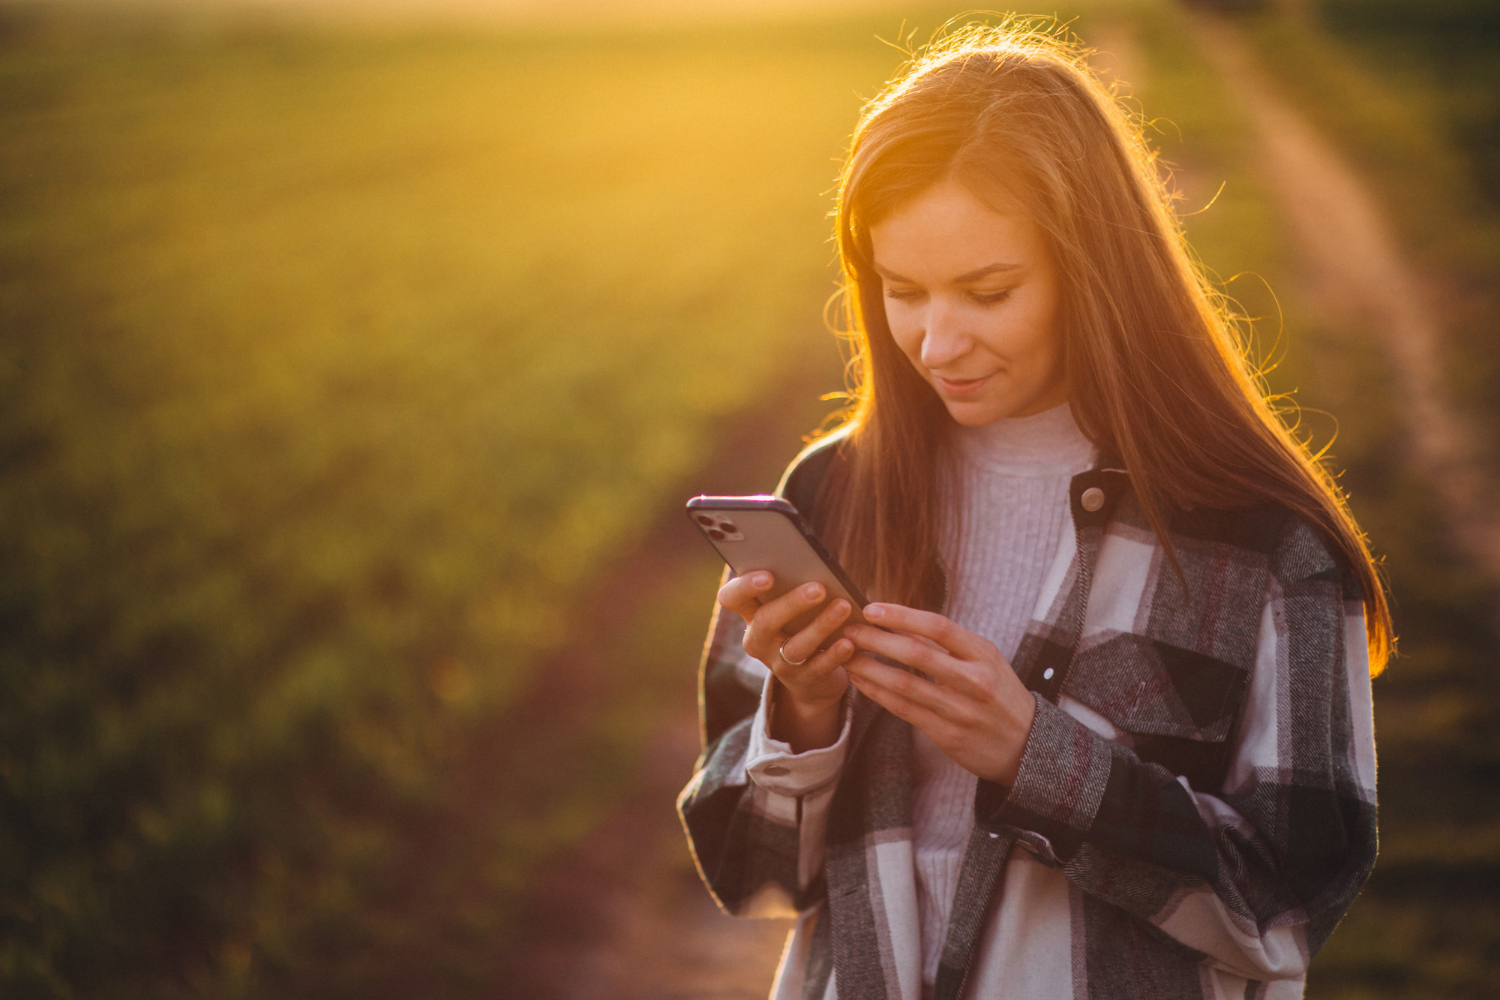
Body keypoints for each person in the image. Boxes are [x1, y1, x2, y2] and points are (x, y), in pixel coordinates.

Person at [677, 21, 1386, 1000]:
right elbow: (748, 878)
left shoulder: (1261, 538)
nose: (937, 339)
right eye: (903, 290)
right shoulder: (827, 494)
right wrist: (802, 714)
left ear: (1094, 274)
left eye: (987, 290)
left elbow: (1293, 907)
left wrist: (1039, 755)